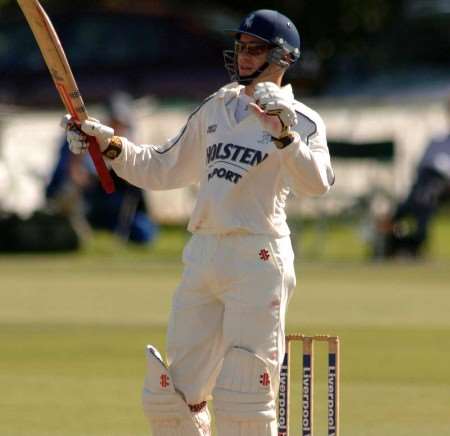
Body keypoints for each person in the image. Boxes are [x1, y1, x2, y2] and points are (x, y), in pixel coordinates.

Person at [63, 9, 334, 436]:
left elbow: (318, 183)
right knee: (172, 399)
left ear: (283, 57)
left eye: (255, 48)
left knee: (244, 400)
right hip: (203, 253)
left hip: (257, 256)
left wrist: (285, 136)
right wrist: (109, 145)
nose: (244, 57)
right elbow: (163, 168)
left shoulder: (301, 119)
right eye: (241, 47)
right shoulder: (216, 107)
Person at [48, 92, 158, 244]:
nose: (118, 127)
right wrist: (81, 165)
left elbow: (137, 182)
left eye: (121, 123)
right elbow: (75, 176)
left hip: (117, 206)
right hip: (91, 200)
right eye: (114, 122)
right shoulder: (84, 139)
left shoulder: (131, 145)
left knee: (143, 232)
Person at [382, 97, 450, 258]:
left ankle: (410, 241)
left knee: (422, 195)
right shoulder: (438, 140)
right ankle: (408, 241)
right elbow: (422, 166)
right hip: (428, 186)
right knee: (424, 193)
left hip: (442, 188)